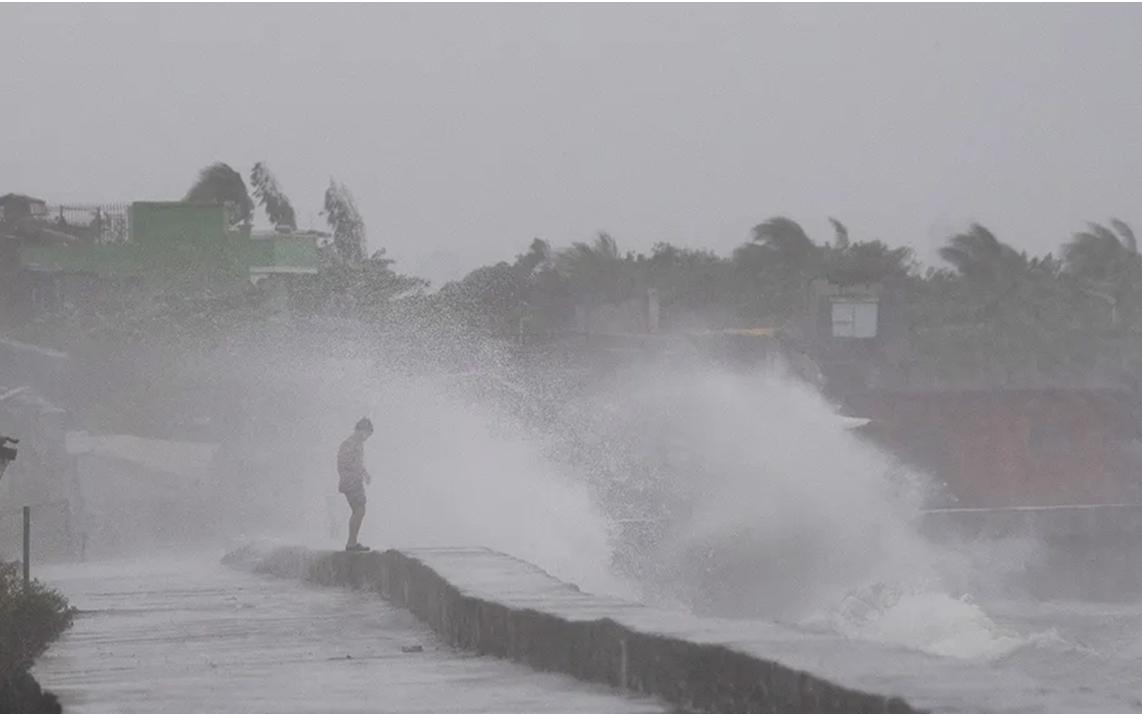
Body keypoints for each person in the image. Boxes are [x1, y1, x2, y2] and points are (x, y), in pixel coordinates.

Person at [337, 417, 374, 552]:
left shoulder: (358, 444)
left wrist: (365, 474)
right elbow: (342, 464)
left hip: (356, 480)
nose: (366, 438)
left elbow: (359, 462)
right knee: (359, 510)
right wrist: (354, 475)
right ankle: (351, 543)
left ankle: (352, 542)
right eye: (366, 435)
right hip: (350, 481)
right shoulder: (348, 444)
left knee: (358, 511)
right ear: (360, 431)